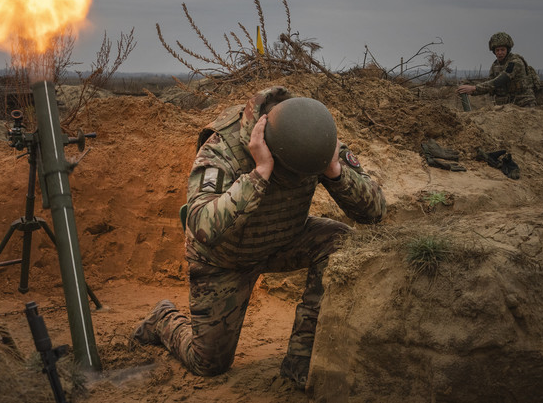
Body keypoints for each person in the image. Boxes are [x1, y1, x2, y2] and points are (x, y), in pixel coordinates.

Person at [132, 86, 386, 390]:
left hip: (283, 239)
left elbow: (375, 211)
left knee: (339, 240)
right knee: (209, 364)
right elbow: (200, 227)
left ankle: (301, 358)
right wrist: (261, 173)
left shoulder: (311, 139)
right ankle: (163, 318)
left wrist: (334, 170)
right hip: (225, 260)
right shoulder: (222, 149)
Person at [456, 32, 537, 107]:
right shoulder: (495, 65)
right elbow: (489, 84)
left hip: (523, 102)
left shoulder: (515, 62)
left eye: (502, 50)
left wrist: (474, 88)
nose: (500, 53)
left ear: (507, 50)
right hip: (506, 105)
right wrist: (471, 89)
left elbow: (501, 79)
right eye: (497, 50)